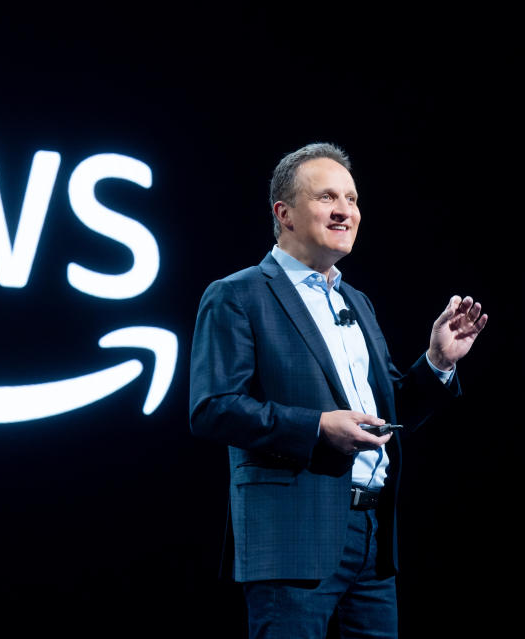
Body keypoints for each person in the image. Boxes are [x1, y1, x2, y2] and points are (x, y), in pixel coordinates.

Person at [189, 143, 487, 638]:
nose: (345, 210)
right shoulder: (237, 295)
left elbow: (389, 414)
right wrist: (317, 428)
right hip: (292, 537)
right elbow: (213, 408)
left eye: (351, 198)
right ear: (283, 213)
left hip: (371, 539)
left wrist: (436, 362)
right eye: (328, 197)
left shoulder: (357, 301)